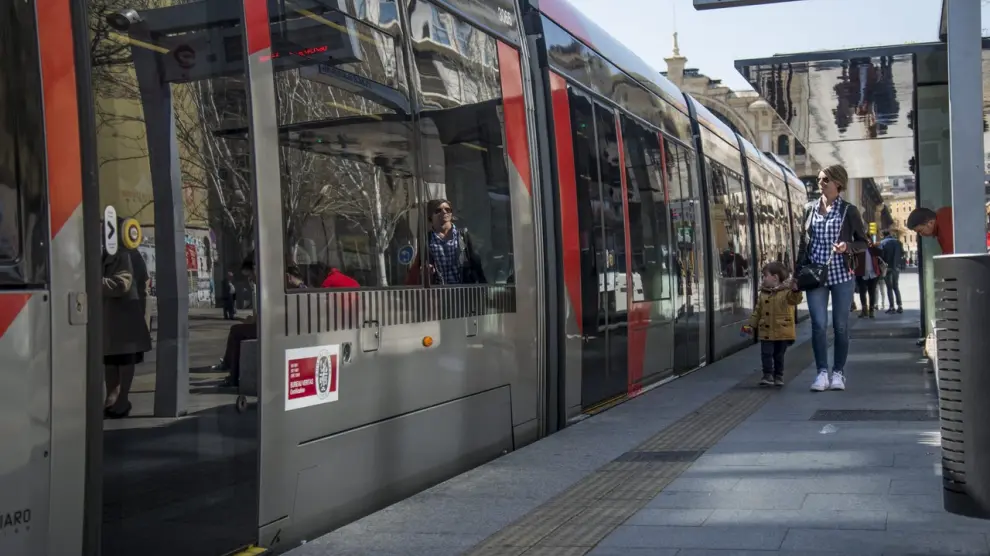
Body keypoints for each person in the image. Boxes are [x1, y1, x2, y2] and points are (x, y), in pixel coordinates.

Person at [796, 164, 869, 392]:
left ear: (838, 183)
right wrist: (797, 274)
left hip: (841, 275)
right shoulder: (809, 209)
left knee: (840, 326)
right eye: (819, 179)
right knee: (818, 325)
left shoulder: (849, 211)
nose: (821, 183)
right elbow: (803, 244)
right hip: (815, 275)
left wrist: (847, 246)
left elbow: (863, 243)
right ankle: (821, 373)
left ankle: (838, 372)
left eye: (825, 179)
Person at [102, 244, 153, 418]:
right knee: (111, 360)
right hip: (113, 318)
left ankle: (122, 399)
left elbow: (122, 284)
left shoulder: (125, 255)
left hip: (125, 316)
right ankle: (112, 398)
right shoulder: (110, 253)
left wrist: (93, 282)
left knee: (123, 358)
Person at [743, 262, 803, 387]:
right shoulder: (763, 293)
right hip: (766, 331)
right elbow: (757, 312)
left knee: (779, 355)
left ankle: (779, 375)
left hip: (783, 332)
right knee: (766, 353)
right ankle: (767, 374)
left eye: (765, 276)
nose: (763, 278)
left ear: (775, 278)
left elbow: (795, 299)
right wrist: (749, 327)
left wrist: (796, 290)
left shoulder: (787, 292)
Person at [406, 198, 486, 285]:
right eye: (438, 210)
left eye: (448, 210)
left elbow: (476, 263)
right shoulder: (427, 239)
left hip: (463, 291)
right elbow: (420, 266)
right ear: (430, 216)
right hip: (439, 293)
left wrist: (484, 286)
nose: (444, 212)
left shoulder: (463, 235)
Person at [853, 239, 883, 319]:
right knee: (862, 292)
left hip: (873, 274)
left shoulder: (872, 250)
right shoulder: (859, 250)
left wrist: (873, 246)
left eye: (868, 241)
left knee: (872, 292)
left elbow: (881, 253)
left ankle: (872, 310)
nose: (867, 243)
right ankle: (864, 310)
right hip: (862, 274)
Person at [879, 230, 904, 313]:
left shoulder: (882, 243)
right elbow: (902, 253)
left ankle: (892, 306)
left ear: (883, 235)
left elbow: (880, 255)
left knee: (889, 287)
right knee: (896, 286)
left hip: (887, 267)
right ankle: (900, 306)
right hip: (896, 267)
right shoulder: (898, 242)